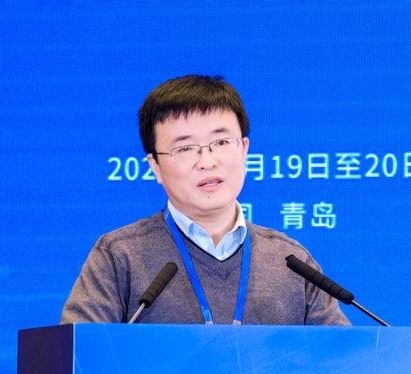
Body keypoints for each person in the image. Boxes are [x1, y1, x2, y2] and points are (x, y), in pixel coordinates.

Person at [60, 74, 350, 326]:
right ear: (155, 166)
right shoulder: (119, 256)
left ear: (244, 149)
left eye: (221, 142)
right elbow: (76, 358)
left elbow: (346, 361)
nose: (207, 161)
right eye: (185, 148)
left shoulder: (292, 262)